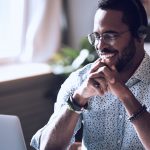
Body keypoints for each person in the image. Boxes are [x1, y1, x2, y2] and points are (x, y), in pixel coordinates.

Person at [30, 0, 150, 149]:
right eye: (97, 36)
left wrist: (125, 95)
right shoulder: (80, 80)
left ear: (140, 34)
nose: (100, 46)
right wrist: (78, 99)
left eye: (110, 35)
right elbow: (47, 148)